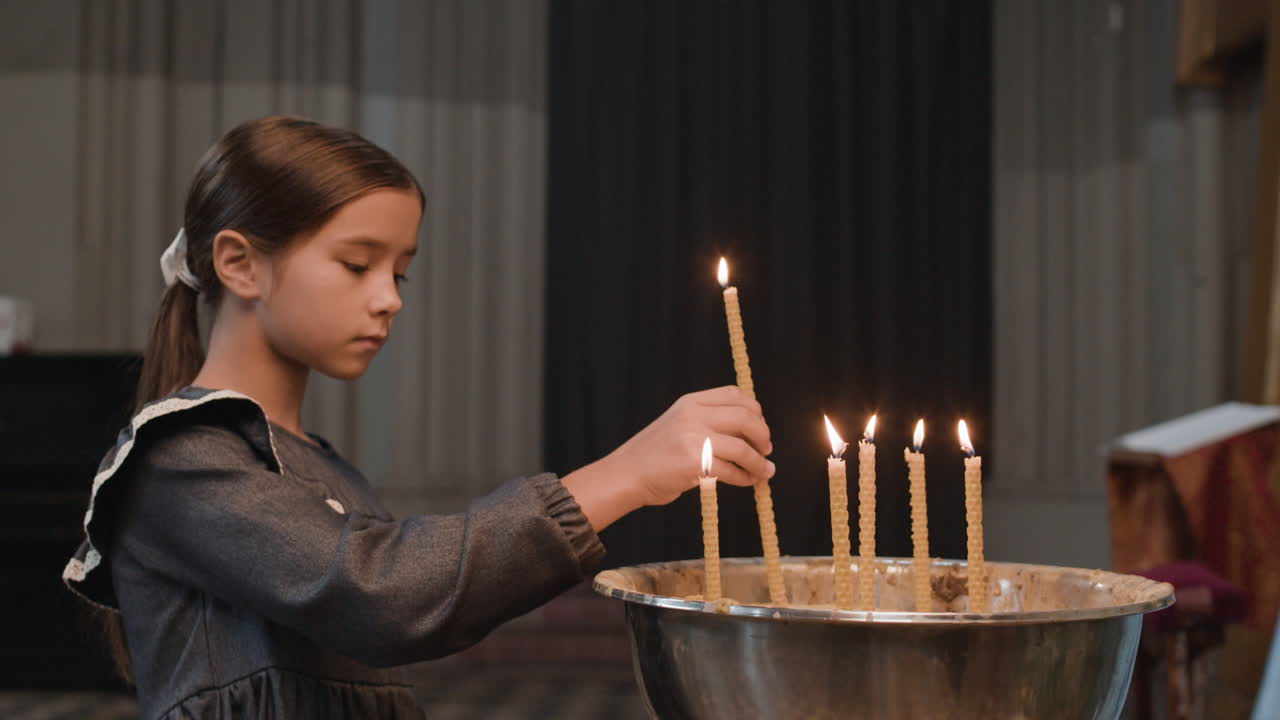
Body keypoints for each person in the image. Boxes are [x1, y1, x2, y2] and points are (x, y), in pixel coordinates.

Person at [61, 115, 774, 719]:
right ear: (240, 264)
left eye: (398, 271)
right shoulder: (180, 460)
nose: (389, 298)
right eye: (356, 264)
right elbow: (386, 595)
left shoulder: (324, 466)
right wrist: (627, 474)